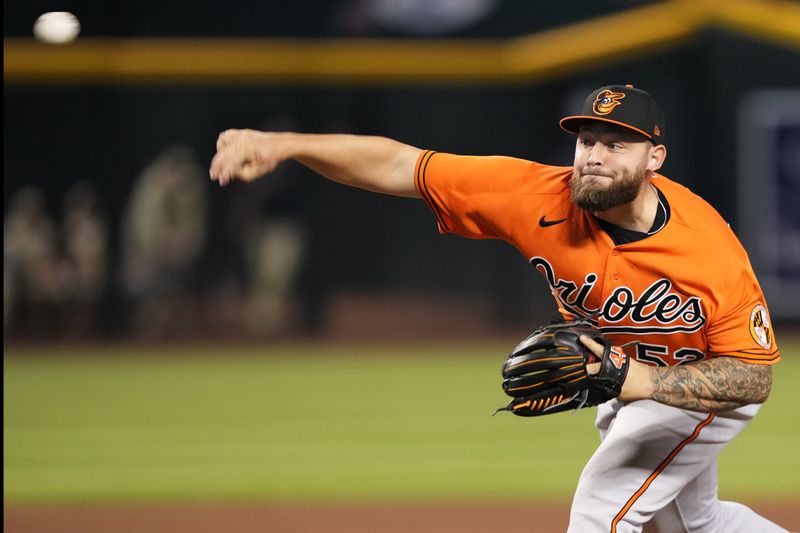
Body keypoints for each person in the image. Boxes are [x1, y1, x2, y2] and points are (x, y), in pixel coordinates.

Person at [209, 84, 786, 532]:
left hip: (703, 383)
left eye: (617, 144)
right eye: (587, 140)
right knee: (691, 523)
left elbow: (753, 376)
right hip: (625, 380)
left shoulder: (708, 249)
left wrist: (633, 379)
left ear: (654, 157)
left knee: (603, 505)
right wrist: (286, 145)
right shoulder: (535, 196)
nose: (595, 156)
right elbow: (401, 166)